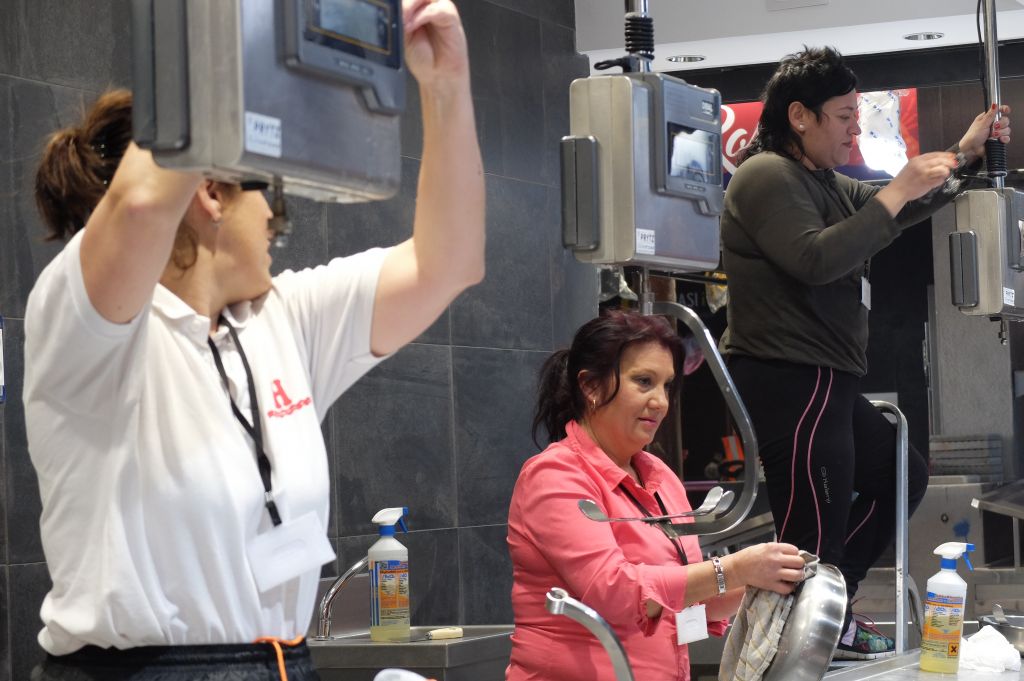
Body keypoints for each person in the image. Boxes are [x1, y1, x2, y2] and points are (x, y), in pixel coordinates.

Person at [23, 1, 483, 679]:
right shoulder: (88, 324)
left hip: (284, 661)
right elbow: (143, 203)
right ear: (210, 189)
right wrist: (238, 27)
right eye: (267, 187)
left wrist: (446, 86)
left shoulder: (280, 318)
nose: (275, 214)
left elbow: (450, 263)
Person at [719, 46, 1012, 660]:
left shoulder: (823, 181)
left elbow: (900, 209)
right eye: (845, 117)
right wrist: (897, 187)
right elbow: (817, 259)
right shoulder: (765, 174)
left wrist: (963, 154)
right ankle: (791, 647)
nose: (855, 130)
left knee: (901, 474)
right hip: (789, 374)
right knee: (812, 530)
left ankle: (828, 614)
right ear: (800, 115)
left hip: (830, 377)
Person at [506, 311, 807, 681]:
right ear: (591, 386)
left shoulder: (661, 478)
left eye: (667, 386)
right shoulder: (554, 475)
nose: (661, 401)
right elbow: (615, 592)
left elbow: (691, 600)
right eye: (644, 382)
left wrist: (766, 582)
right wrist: (734, 568)